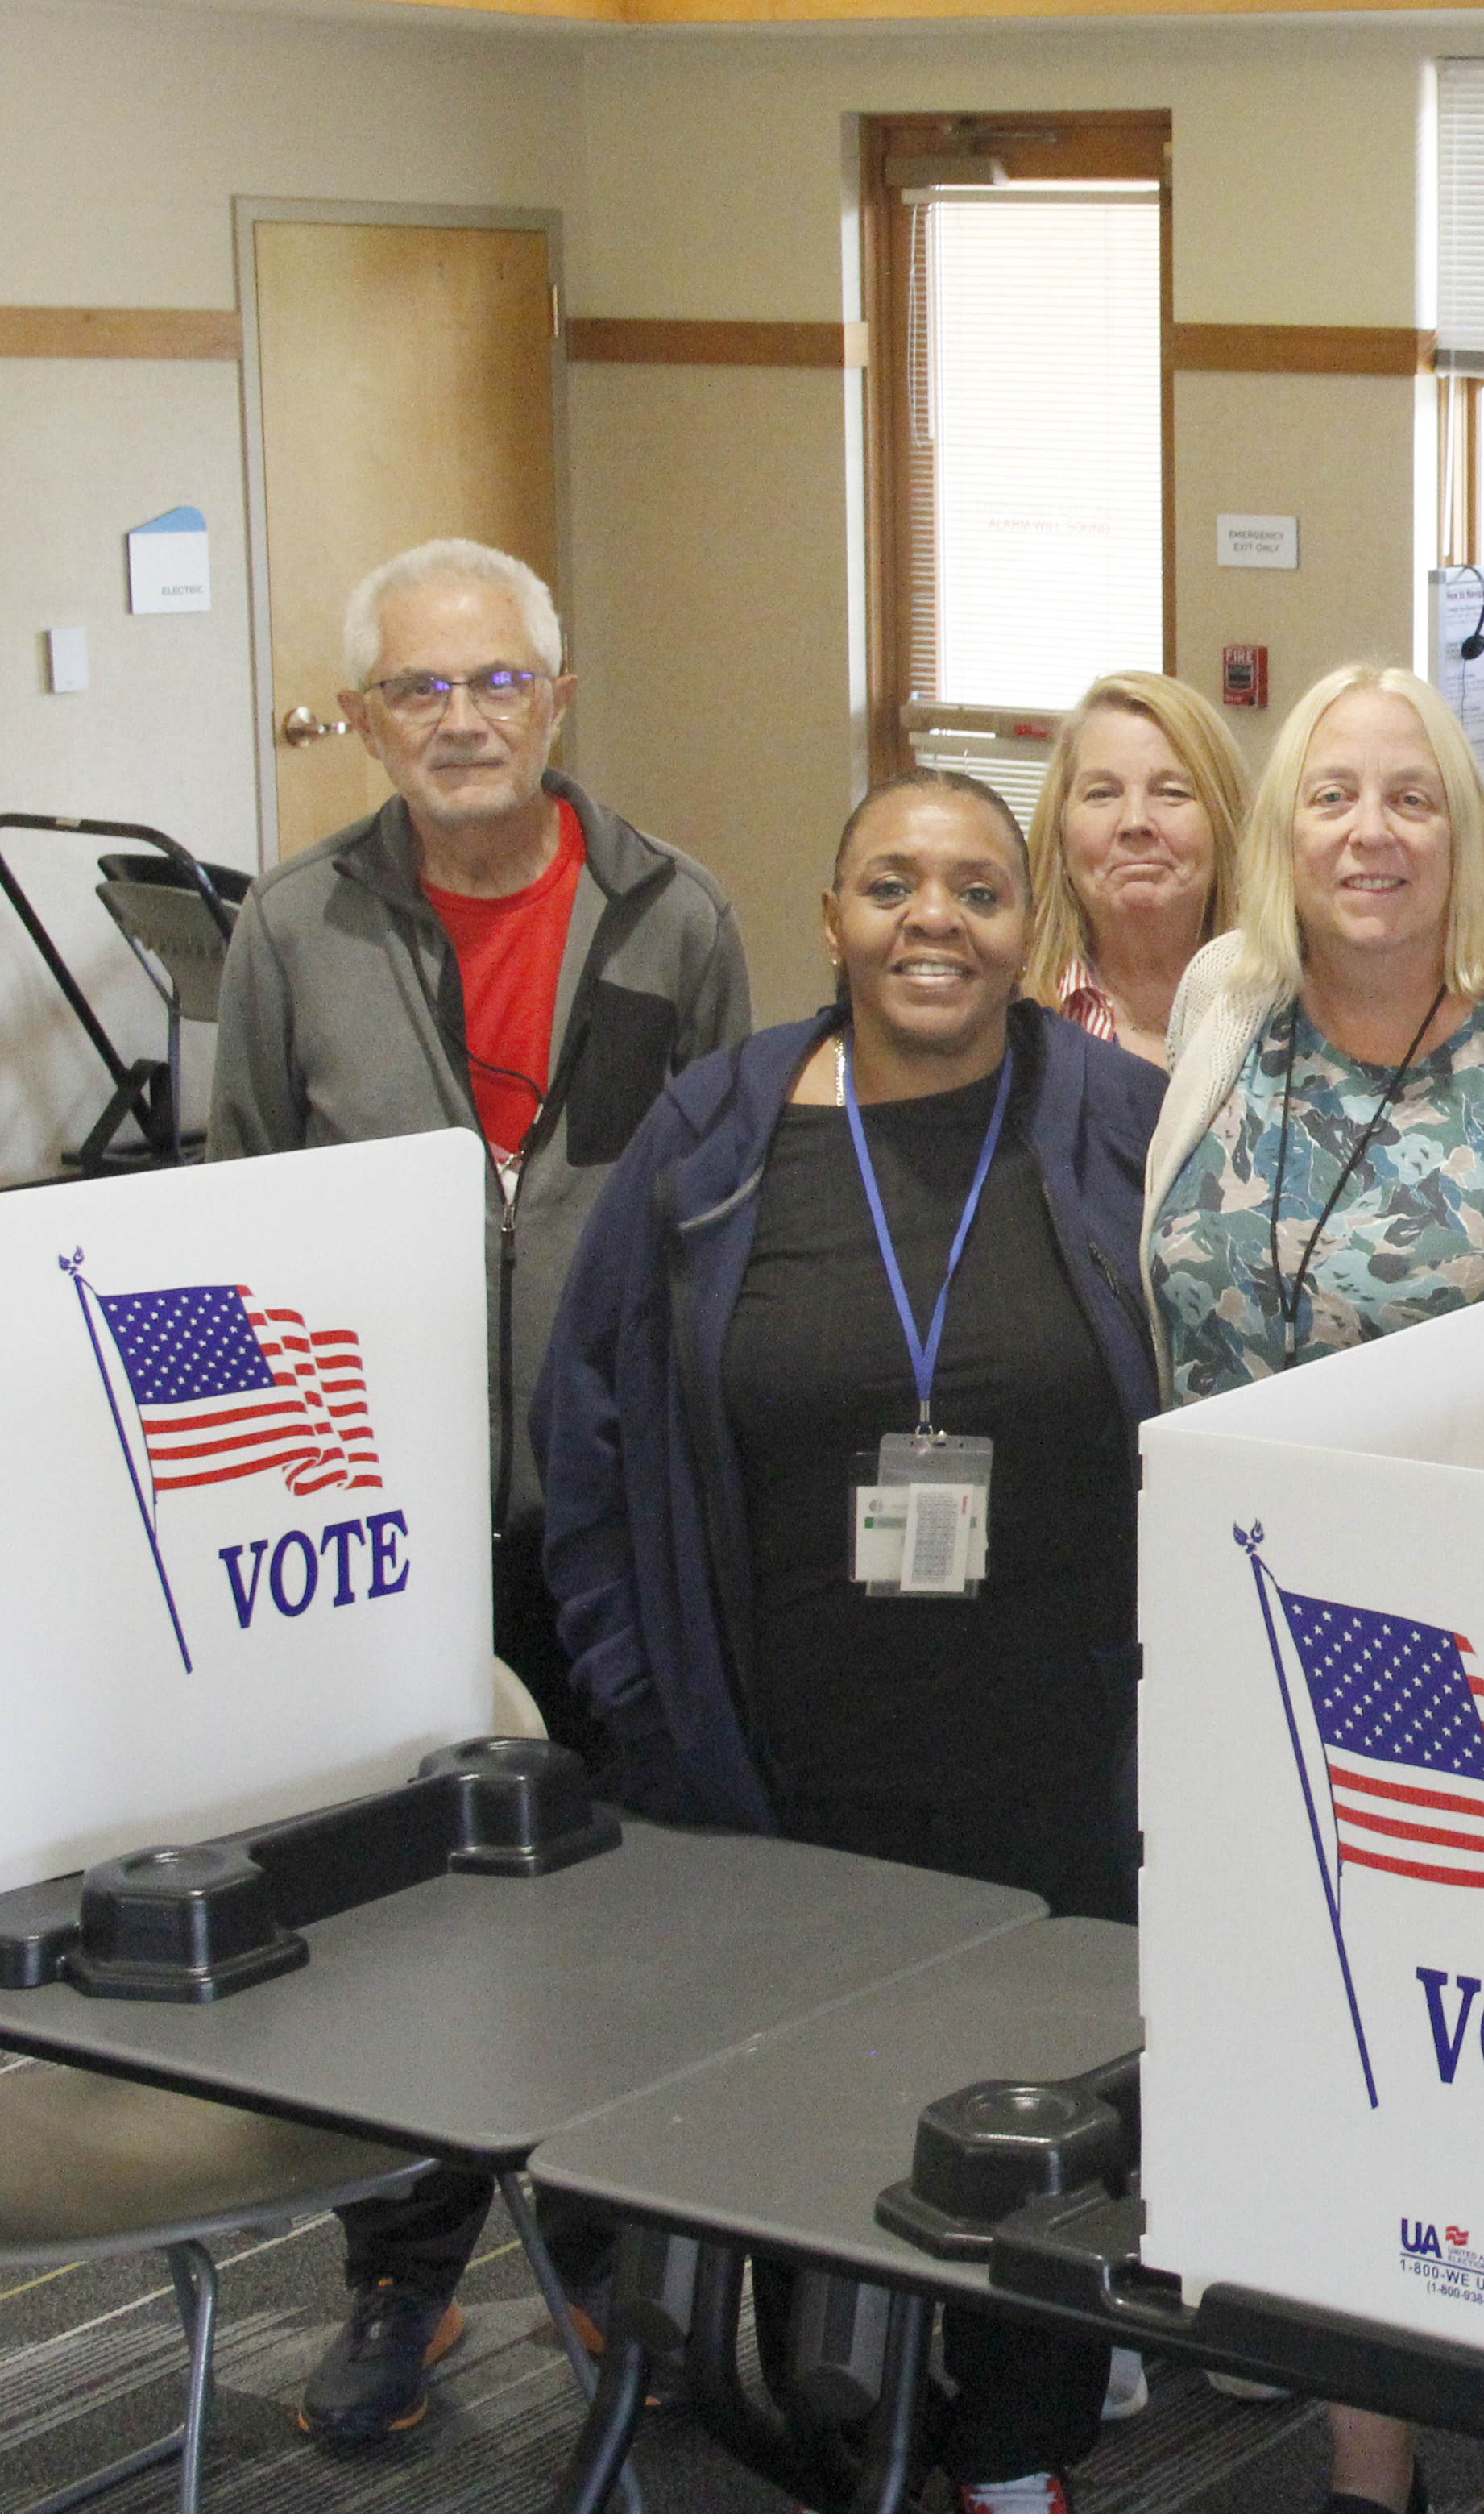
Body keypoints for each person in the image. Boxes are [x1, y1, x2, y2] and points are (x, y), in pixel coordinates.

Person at [541, 769, 1163, 2514]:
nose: (933, 923)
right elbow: (587, 1431)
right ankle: (822, 2434)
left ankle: (1022, 2450)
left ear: (1030, 932)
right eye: (892, 886)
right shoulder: (717, 1132)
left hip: (1061, 1744)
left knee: (1048, 2104)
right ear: (828, 922)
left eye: (975, 889)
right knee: (814, 2120)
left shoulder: (1121, 1119)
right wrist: (635, 1699)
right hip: (772, 1744)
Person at [209, 535, 747, 2444]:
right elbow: (246, 1216)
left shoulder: (674, 912)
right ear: (366, 719)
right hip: (380, 1525)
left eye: (493, 680)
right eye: (417, 690)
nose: (460, 720)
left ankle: (610, 2250)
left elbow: (710, 1218)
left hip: (598, 1508)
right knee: (392, 1916)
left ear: (558, 694)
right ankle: (404, 2267)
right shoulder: (295, 930)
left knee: (615, 1893)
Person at [1145, 663, 1484, 2514]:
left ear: (1466, 827)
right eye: (1332, 797)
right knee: (1315, 2055)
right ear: (1286, 831)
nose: (1370, 833)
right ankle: (1362, 2457)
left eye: (1411, 798)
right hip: (1256, 1636)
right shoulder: (1228, 1001)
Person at [1026, 669, 1250, 1064]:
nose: (1135, 822)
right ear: (1059, 828)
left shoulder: (1290, 1022)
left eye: (1171, 792)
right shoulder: (1006, 1029)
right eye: (1102, 793)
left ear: (1224, 822)